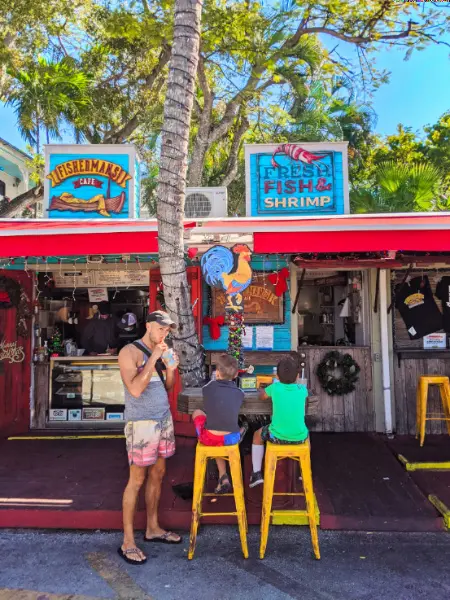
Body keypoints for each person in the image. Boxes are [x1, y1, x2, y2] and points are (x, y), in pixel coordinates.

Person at [117, 310, 181, 565]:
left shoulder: (160, 352)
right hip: (141, 423)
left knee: (158, 474)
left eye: (167, 331)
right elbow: (134, 389)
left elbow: (165, 387)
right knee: (137, 480)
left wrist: (172, 369)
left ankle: (153, 528)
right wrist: (154, 357)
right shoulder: (129, 352)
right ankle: (128, 541)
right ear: (148, 326)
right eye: (161, 329)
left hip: (163, 419)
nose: (164, 334)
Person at [249, 357, 308, 488]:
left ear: (277, 375)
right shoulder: (302, 390)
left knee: (257, 435)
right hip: (299, 438)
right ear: (298, 376)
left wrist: (261, 390)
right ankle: (303, 472)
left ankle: (256, 473)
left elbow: (262, 396)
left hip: (277, 437)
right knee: (307, 436)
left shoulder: (275, 387)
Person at [192, 354, 247, 494]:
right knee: (223, 431)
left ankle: (223, 476)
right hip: (231, 439)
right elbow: (241, 397)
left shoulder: (208, 388)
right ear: (235, 374)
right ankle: (223, 476)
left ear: (217, 373)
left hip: (209, 438)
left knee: (198, 413)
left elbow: (206, 389)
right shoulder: (239, 393)